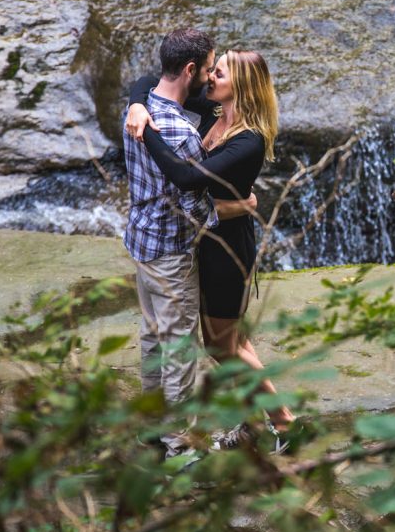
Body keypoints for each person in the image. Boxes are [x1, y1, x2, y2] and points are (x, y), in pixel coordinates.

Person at [124, 49, 295, 450]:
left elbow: (185, 177)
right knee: (232, 342)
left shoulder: (249, 141)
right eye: (210, 71)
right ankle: (255, 425)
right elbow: (152, 81)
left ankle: (284, 421)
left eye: (218, 73)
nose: (209, 78)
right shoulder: (217, 109)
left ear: (241, 86)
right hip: (206, 238)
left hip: (227, 250)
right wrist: (136, 105)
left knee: (222, 344)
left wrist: (145, 129)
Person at [122, 28, 217, 460]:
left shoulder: (137, 111)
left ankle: (149, 427)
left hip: (141, 240)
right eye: (210, 70)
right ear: (191, 70)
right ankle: (179, 444)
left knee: (152, 338)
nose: (212, 80)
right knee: (179, 344)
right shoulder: (180, 131)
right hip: (172, 251)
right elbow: (196, 209)